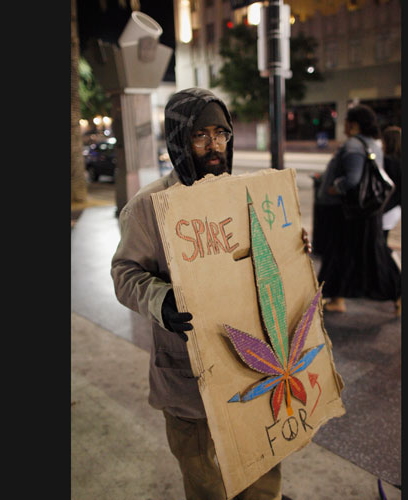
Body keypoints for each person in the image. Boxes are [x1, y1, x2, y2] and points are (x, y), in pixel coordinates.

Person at [111, 88, 300, 500]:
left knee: (262, 471)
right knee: (206, 481)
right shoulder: (148, 206)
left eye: (221, 133)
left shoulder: (242, 194)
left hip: (254, 370)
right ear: (180, 138)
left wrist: (292, 251)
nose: (214, 145)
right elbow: (124, 274)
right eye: (201, 135)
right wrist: (160, 300)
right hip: (188, 383)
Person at [314, 104, 401, 313]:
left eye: (345, 121)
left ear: (353, 125)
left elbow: (353, 179)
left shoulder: (354, 145)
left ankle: (397, 293)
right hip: (362, 213)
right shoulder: (373, 144)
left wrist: (334, 188)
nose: (343, 124)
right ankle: (336, 298)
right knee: (344, 254)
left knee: (366, 256)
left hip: (349, 213)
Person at [381, 125, 402, 244]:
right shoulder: (399, 161)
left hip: (386, 208)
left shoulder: (388, 161)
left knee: (380, 245)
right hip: (395, 210)